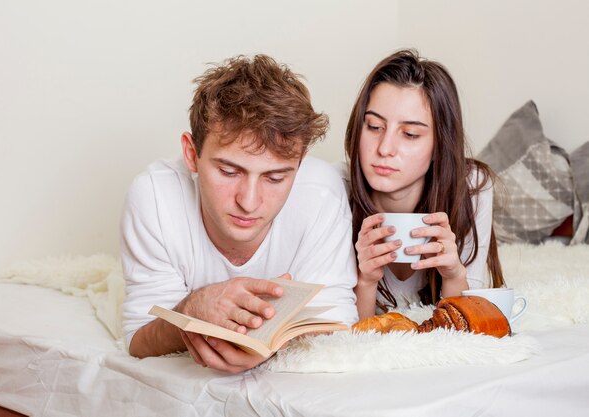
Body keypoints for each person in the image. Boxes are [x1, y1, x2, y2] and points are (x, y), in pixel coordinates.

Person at [120, 54, 358, 373]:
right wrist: (190, 312)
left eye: (275, 178)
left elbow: (338, 322)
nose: (249, 202)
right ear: (192, 154)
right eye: (229, 171)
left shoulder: (321, 192)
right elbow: (138, 339)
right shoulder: (155, 196)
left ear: (300, 164)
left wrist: (269, 344)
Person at [344, 49, 505, 319]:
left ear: (440, 144)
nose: (385, 148)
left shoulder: (472, 186)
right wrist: (366, 281)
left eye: (409, 134)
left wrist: (454, 274)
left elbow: (468, 327)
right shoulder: (335, 191)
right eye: (373, 127)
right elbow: (349, 338)